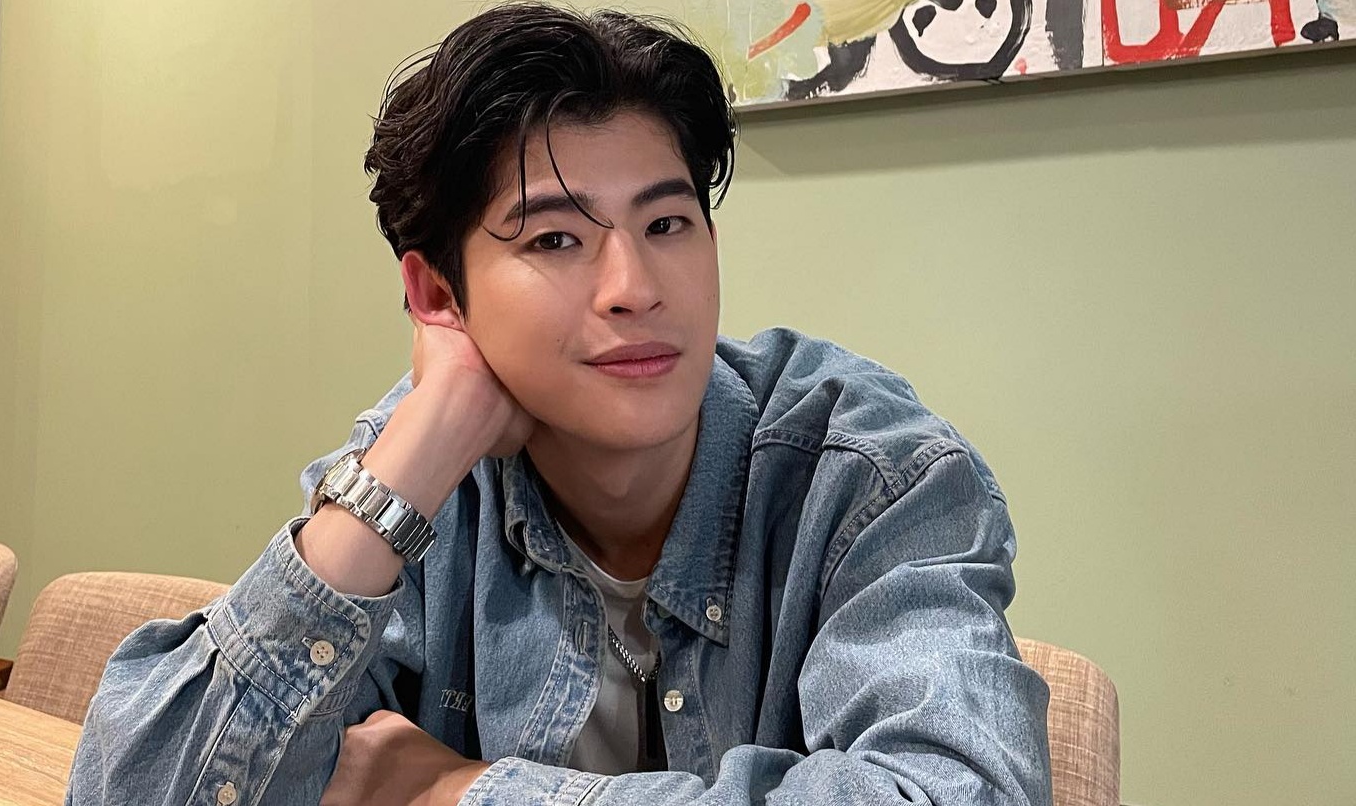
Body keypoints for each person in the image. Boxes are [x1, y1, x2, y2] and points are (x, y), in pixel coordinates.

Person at [66, 4, 1052, 804]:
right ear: (437, 293)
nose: (635, 287)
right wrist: (408, 462)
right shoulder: (428, 474)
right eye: (554, 240)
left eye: (667, 223)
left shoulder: (867, 476)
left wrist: (462, 788)